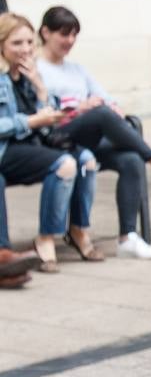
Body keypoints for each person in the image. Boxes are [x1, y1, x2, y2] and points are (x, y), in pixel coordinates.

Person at [36, 6, 151, 260]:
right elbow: (40, 112)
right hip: (55, 137)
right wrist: (80, 108)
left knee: (131, 159)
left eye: (74, 35)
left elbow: (106, 99)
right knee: (99, 114)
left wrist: (111, 108)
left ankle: (128, 237)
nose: (70, 41)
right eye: (64, 34)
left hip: (86, 138)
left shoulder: (77, 70)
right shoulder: (37, 69)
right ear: (45, 32)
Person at [0, 13, 88, 272]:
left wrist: (40, 88)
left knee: (80, 160)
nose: (26, 49)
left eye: (29, 42)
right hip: (7, 150)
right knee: (64, 165)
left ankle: (51, 236)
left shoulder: (27, 74)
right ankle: (35, 244)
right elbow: (29, 122)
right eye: (17, 43)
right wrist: (30, 122)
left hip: (28, 147)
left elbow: (51, 119)